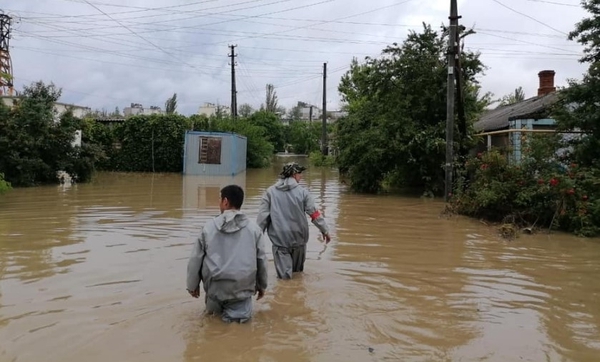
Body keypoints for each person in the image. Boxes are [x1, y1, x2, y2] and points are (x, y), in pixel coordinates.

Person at [186, 185, 268, 323]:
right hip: (240, 293)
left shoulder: (208, 228)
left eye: (219, 199)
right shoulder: (254, 230)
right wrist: (262, 285)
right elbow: (261, 260)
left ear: (225, 201)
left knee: (211, 327)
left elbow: (195, 259)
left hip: (214, 291)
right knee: (239, 334)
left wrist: (192, 286)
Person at [257, 162, 331, 280]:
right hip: (299, 240)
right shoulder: (303, 192)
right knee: (298, 275)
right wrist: (325, 230)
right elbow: (314, 213)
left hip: (280, 241)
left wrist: (256, 238)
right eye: (300, 173)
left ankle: (285, 297)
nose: (301, 176)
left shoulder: (270, 192)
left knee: (284, 280)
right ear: (294, 174)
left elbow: (262, 218)